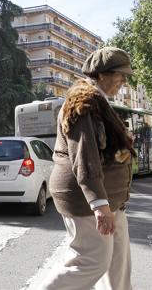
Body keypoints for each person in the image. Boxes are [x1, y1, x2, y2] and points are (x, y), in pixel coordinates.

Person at [42, 47, 137, 290]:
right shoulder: (83, 102)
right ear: (103, 74)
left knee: (118, 265)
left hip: (110, 198)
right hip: (87, 199)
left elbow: (100, 145)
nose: (123, 81)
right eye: (120, 75)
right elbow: (84, 156)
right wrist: (99, 205)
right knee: (90, 262)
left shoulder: (98, 101)